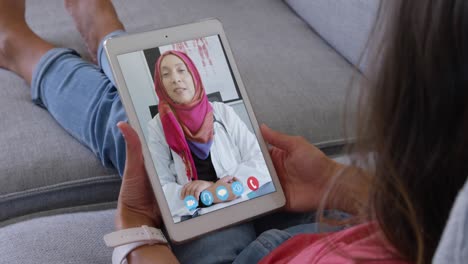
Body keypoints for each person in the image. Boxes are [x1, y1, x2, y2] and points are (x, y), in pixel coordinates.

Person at [1, 0, 468, 264]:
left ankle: (32, 47)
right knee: (154, 124)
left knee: (134, 132)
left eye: (182, 74)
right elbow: (438, 230)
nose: (180, 80)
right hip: (343, 226)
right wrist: (340, 185)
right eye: (170, 76)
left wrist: (137, 232)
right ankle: (101, 39)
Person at [147, 50, 271, 221]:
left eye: (181, 70)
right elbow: (160, 191)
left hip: (246, 199)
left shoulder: (222, 112)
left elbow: (261, 162)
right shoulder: (157, 127)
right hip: (200, 216)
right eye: (166, 75)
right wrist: (208, 195)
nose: (175, 78)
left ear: (194, 76)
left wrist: (221, 189)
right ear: (160, 85)